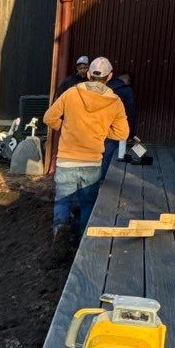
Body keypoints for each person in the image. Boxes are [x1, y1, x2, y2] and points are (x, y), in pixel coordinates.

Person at [44, 55, 129, 251]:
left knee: (63, 199)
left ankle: (60, 232)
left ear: (89, 74)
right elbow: (123, 133)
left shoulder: (71, 93)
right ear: (110, 77)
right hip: (92, 161)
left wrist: (65, 126)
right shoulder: (115, 101)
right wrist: (100, 132)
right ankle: (84, 241)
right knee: (88, 203)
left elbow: (49, 118)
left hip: (67, 159)